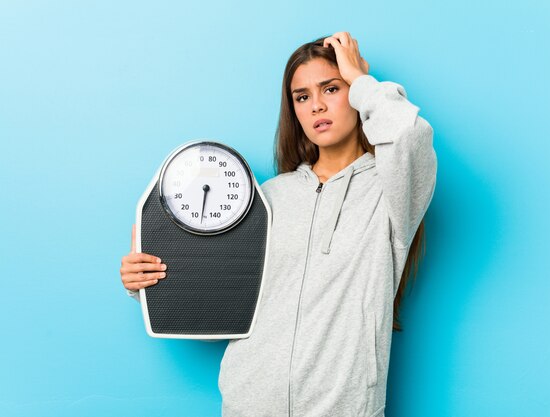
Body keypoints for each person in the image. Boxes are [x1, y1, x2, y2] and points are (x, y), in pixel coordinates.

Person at [120, 31, 437, 417]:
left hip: (344, 407)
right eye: (302, 97)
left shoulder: (390, 190)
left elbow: (409, 134)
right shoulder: (265, 198)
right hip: (249, 402)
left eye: (331, 88)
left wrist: (361, 80)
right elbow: (220, 301)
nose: (317, 106)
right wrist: (148, 283)